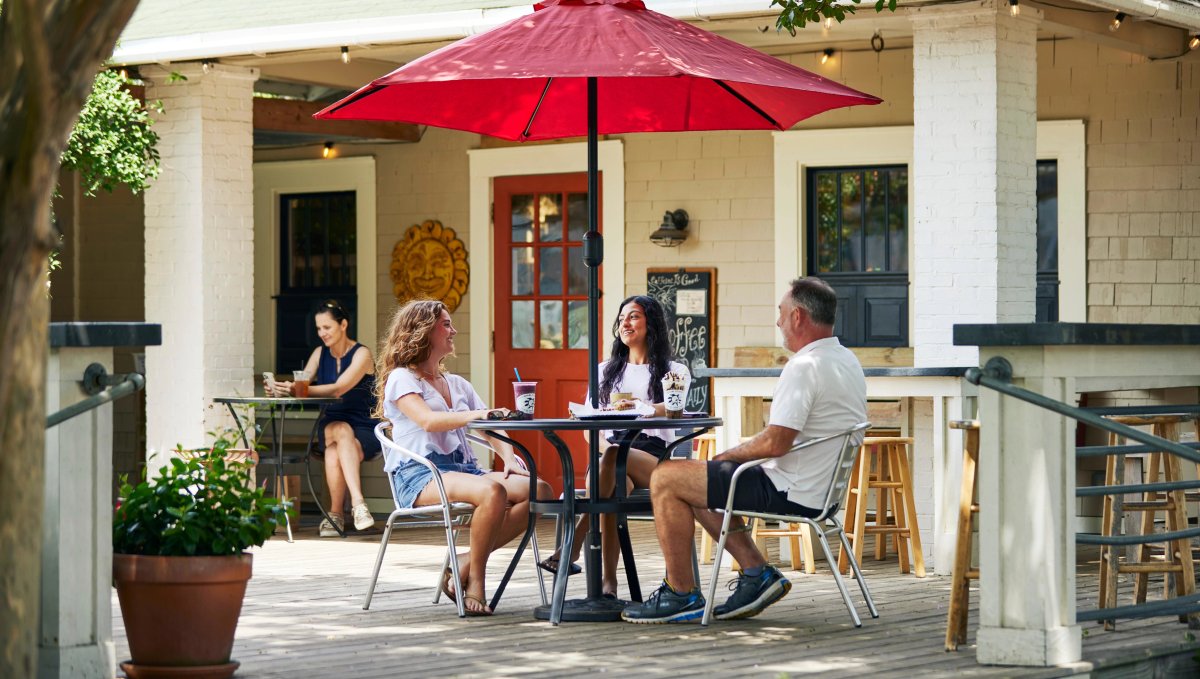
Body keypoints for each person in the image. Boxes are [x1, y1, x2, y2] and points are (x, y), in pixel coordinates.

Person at [621, 277, 867, 624]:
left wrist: (725, 458)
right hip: (817, 489)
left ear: (798, 317)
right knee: (695, 479)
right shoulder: (845, 360)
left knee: (665, 477)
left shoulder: (803, 367)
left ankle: (680, 594)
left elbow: (776, 442)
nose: (779, 322)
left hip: (790, 489)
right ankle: (756, 574)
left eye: (781, 314)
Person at [374, 299, 552, 616]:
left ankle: (466, 560)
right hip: (420, 476)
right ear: (424, 332)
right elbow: (428, 420)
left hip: (465, 471)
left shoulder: (457, 384)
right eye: (446, 324)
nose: (453, 330)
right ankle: (477, 584)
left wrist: (509, 458)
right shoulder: (403, 378)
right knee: (492, 492)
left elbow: (490, 427)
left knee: (541, 491)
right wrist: (478, 414)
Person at [539, 295, 691, 600]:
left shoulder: (674, 370)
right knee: (610, 479)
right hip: (611, 452)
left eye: (633, 316)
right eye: (622, 318)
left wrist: (644, 407)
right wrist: (605, 445)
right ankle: (608, 587)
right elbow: (588, 429)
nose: (625, 323)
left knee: (607, 466)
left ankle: (572, 545)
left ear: (651, 324)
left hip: (653, 459)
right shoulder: (605, 370)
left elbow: (676, 408)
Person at [265, 300, 381, 537]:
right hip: (331, 424)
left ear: (344, 324)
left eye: (327, 327)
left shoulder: (362, 354)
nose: (322, 334)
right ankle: (359, 505)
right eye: (319, 329)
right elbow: (303, 383)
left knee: (333, 450)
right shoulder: (319, 353)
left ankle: (335, 514)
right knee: (339, 430)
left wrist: (297, 388)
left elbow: (338, 388)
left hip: (364, 426)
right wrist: (279, 389)